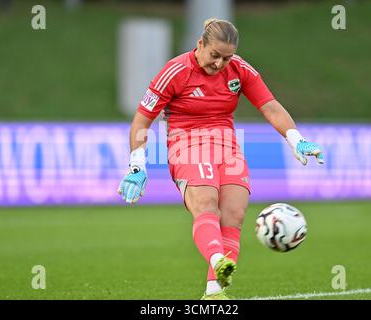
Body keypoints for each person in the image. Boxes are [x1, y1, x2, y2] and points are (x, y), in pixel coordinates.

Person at [117, 18, 324, 300]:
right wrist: (137, 164)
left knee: (234, 216)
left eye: (226, 58)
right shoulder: (175, 71)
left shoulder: (240, 70)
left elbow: (271, 107)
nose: (219, 64)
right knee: (206, 206)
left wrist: (295, 138)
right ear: (200, 44)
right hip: (187, 144)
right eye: (214, 55)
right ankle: (217, 260)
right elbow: (142, 119)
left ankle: (214, 293)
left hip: (227, 146)